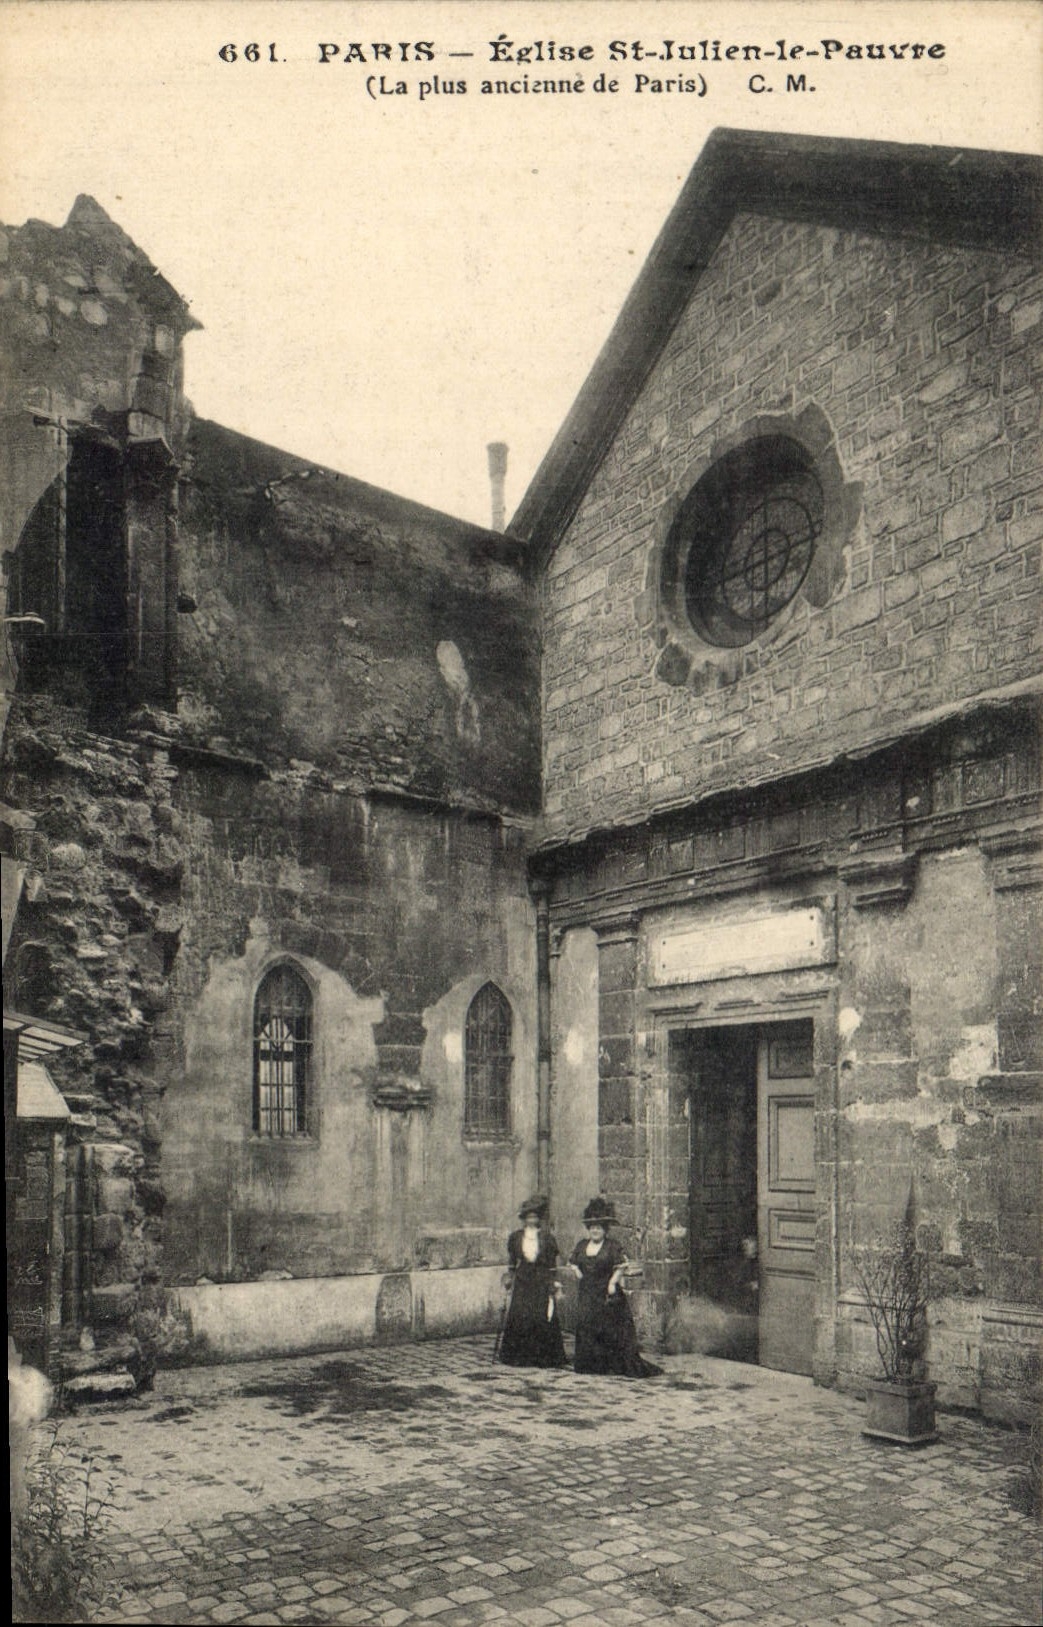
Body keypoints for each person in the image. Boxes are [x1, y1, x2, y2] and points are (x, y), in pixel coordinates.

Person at [569, 1197, 662, 1377]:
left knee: (609, 1328)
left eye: (599, 1227)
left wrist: (612, 1282)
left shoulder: (612, 1246)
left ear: (605, 1230)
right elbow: (573, 1262)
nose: (595, 1231)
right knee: (588, 1326)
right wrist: (577, 1272)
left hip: (607, 1293)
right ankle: (591, 1365)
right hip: (587, 1293)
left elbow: (621, 1266)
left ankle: (610, 1364)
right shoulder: (582, 1245)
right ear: (588, 1229)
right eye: (592, 1227)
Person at [496, 1195, 567, 1368]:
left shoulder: (547, 1238)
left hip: (541, 1279)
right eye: (528, 1216)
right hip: (523, 1280)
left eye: (534, 1216)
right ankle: (520, 1356)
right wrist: (509, 1277)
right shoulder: (516, 1237)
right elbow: (513, 1261)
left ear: (539, 1218)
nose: (531, 1220)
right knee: (521, 1314)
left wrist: (553, 1282)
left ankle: (542, 1356)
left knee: (540, 1314)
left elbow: (551, 1264)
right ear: (524, 1218)